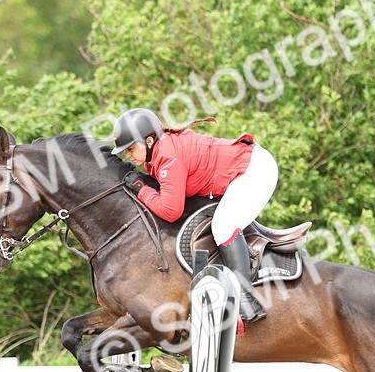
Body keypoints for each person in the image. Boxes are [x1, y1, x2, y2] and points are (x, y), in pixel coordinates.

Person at [110, 107, 276, 324]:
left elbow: (171, 211)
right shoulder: (158, 152)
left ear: (149, 141)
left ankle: (245, 299)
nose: (127, 155)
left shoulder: (167, 155)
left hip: (255, 172)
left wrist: (142, 190)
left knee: (223, 226)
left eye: (131, 148)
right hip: (242, 170)